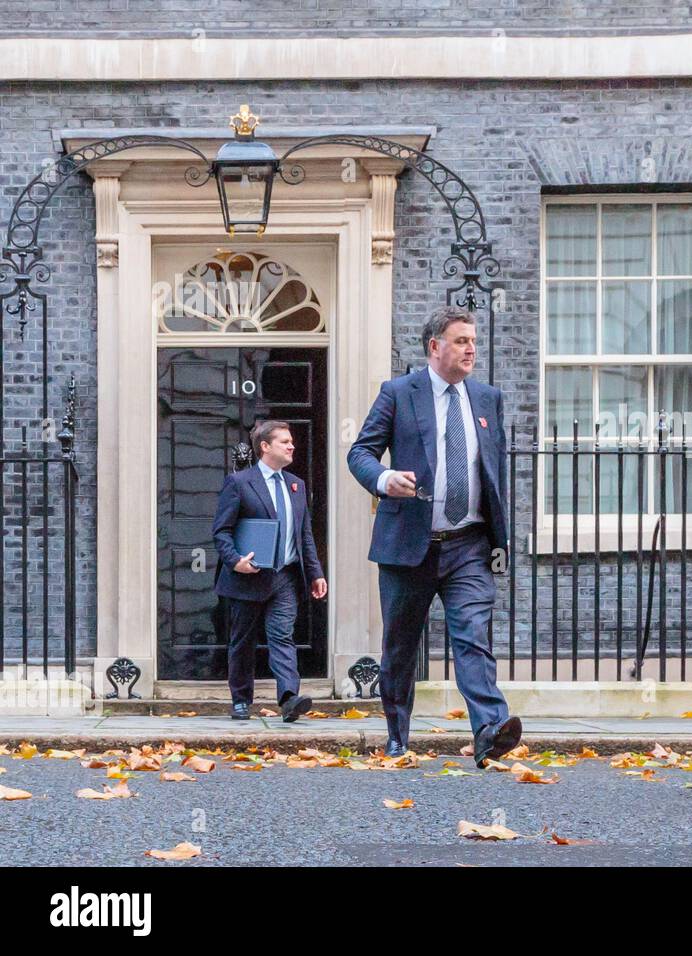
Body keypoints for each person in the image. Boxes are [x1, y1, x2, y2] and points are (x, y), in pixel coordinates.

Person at [347, 305, 521, 763]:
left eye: (474, 341)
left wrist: (500, 536)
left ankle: (489, 729)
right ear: (435, 346)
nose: (471, 349)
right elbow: (361, 452)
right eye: (462, 341)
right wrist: (385, 480)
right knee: (401, 646)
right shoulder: (399, 393)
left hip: (468, 543)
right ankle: (397, 734)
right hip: (410, 544)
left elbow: (494, 467)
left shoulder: (487, 398)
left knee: (472, 636)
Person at [213, 420, 327, 722]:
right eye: (284, 442)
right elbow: (221, 531)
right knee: (242, 640)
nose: (292, 446)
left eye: (291, 442)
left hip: (285, 576)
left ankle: (289, 698)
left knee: (282, 636)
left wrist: (316, 573)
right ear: (265, 446)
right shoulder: (239, 482)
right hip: (247, 575)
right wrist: (235, 560)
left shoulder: (296, 485)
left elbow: (304, 536)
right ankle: (240, 700)